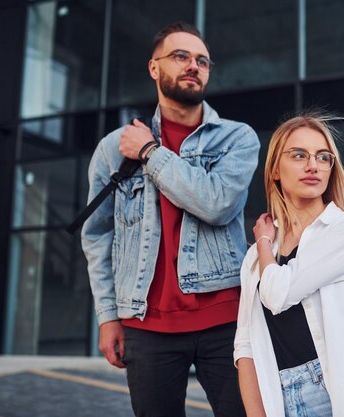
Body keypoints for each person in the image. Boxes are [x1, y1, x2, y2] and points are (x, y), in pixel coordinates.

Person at [81, 21, 259, 417]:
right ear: (154, 68)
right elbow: (97, 237)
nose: (193, 66)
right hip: (146, 326)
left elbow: (217, 204)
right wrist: (109, 317)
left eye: (202, 60)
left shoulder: (236, 138)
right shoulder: (113, 148)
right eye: (180, 56)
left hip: (227, 321)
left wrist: (150, 152)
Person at [234, 113, 344, 417]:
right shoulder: (255, 260)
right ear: (275, 168)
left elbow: (277, 293)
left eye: (323, 157)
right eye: (299, 155)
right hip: (279, 397)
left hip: (338, 396)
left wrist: (263, 241)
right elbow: (246, 346)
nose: (313, 165)